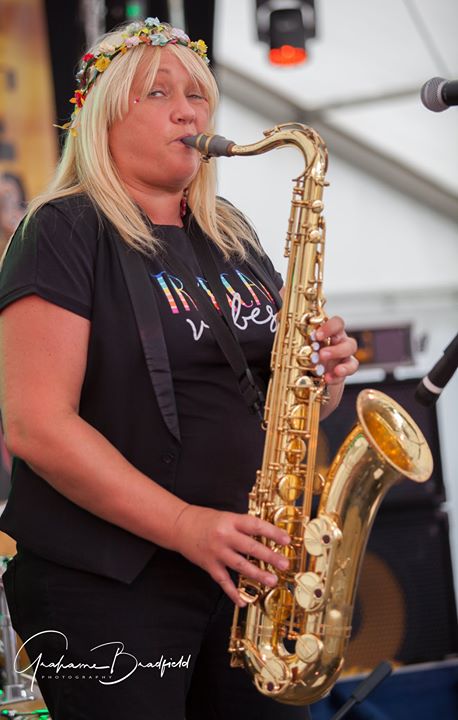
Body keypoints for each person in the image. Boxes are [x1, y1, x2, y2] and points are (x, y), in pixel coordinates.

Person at [0, 18, 359, 720]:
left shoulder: (231, 232)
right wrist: (187, 524)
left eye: (197, 95)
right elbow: (36, 425)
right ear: (103, 117)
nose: (188, 112)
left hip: (245, 575)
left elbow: (271, 402)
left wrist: (323, 378)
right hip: (109, 585)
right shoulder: (63, 228)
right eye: (159, 93)